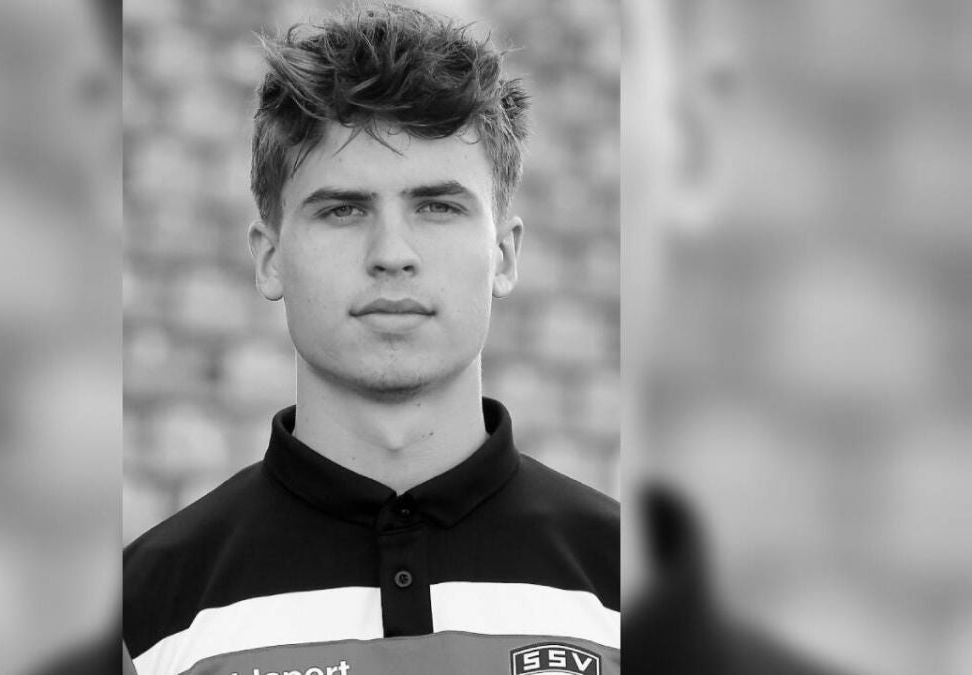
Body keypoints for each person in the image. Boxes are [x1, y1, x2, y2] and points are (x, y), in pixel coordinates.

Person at [123, 5, 619, 674]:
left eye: (437, 207)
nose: (391, 253)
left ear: (503, 254)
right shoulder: (145, 619)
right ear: (270, 258)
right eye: (343, 210)